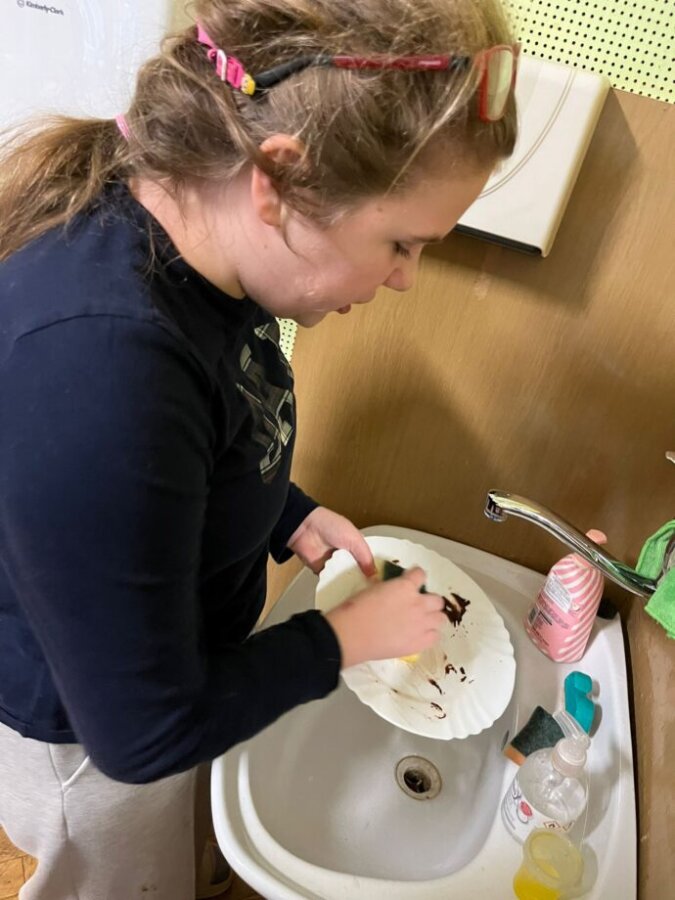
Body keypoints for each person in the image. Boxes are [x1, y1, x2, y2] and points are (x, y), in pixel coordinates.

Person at [0, 1, 517, 897]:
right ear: (278, 178)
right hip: (88, 745)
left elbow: (208, 430)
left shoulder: (210, 256)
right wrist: (339, 640)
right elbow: (141, 735)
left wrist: (287, 511)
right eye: (400, 243)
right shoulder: (104, 365)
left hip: (175, 668)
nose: (405, 277)